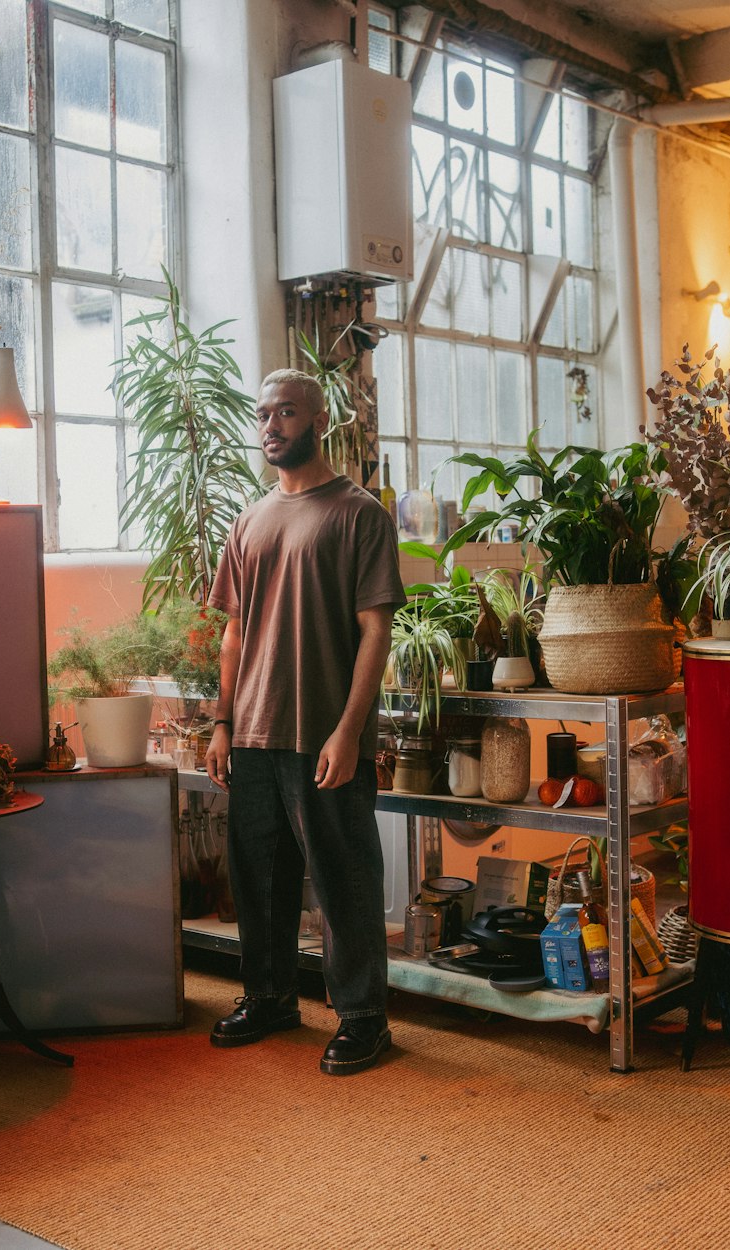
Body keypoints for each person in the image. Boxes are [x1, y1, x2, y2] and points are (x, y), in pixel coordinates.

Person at [204, 368, 405, 1076]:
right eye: (263, 414)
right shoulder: (249, 520)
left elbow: (375, 633)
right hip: (254, 732)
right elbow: (233, 634)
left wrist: (351, 731)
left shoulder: (358, 515)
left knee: (344, 877)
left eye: (286, 412)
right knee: (259, 879)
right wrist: (221, 721)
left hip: (324, 734)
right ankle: (269, 998)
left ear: (318, 419)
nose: (271, 426)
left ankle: (362, 1017)